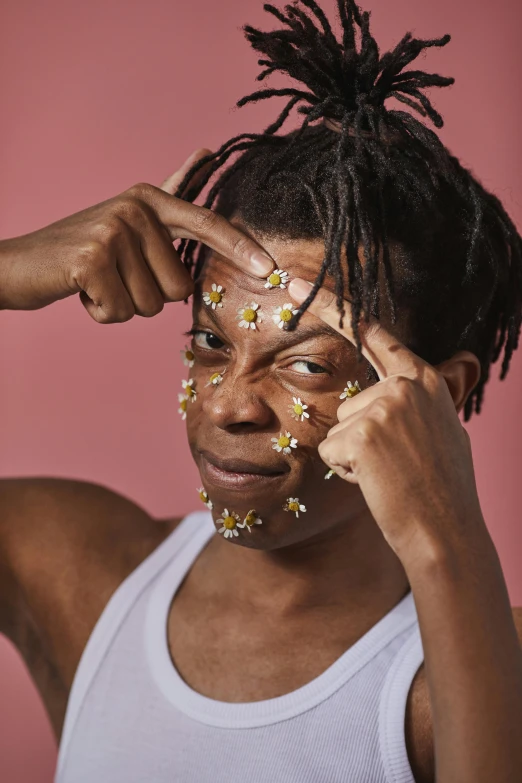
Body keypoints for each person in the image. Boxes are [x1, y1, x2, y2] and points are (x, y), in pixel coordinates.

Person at [1, 1, 522, 781]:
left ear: (437, 394)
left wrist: (447, 537)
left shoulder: (480, 665)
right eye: (211, 342)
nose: (227, 404)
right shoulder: (78, 572)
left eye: (307, 364)